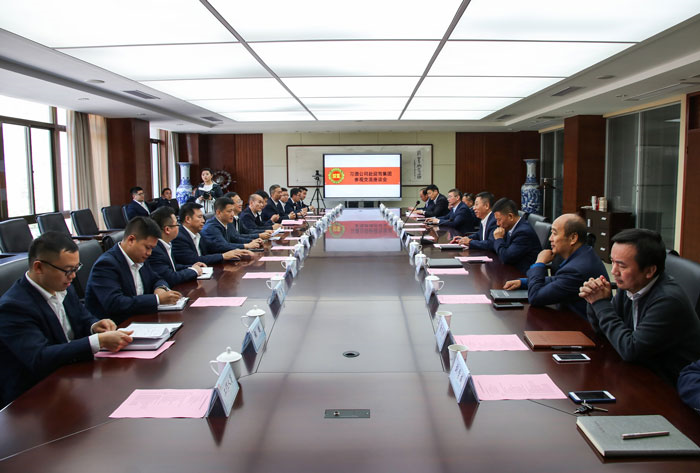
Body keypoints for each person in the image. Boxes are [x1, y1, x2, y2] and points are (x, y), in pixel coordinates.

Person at [0, 232, 133, 407]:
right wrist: (97, 341)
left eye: (76, 268)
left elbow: (82, 316)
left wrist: (94, 326)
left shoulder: (61, 285)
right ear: (39, 267)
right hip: (33, 397)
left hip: (70, 376)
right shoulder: (13, 307)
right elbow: (39, 357)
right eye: (68, 270)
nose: (73, 276)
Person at [579, 228, 700, 385]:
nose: (614, 271)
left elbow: (631, 350)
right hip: (639, 369)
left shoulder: (668, 300)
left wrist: (600, 303)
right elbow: (603, 331)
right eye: (612, 261)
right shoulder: (631, 285)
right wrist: (594, 299)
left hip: (668, 383)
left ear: (649, 271)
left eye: (622, 266)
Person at [503, 214, 608, 317]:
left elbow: (535, 297)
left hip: (581, 324)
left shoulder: (577, 269)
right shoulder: (584, 253)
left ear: (573, 238)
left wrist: (539, 262)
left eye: (554, 233)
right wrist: (523, 282)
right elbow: (559, 280)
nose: (550, 238)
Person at [85, 217, 183, 324]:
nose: (149, 253)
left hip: (141, 319)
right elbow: (116, 304)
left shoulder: (139, 257)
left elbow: (157, 278)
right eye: (147, 247)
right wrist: (157, 299)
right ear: (131, 240)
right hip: (118, 326)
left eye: (152, 249)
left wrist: (160, 288)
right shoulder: (106, 265)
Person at [171, 203, 248, 266]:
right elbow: (193, 260)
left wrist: (237, 251)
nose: (203, 221)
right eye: (199, 217)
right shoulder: (178, 237)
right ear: (188, 219)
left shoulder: (199, 234)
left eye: (203, 217)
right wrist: (223, 256)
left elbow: (213, 248)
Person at [149, 206, 206, 287]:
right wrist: (194, 271)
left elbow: (173, 267)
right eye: (177, 224)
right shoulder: (155, 249)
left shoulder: (166, 244)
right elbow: (170, 277)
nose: (179, 227)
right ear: (167, 229)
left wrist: (191, 267)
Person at [491, 198, 541, 274]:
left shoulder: (523, 232)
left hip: (524, 275)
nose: (497, 224)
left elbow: (506, 258)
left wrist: (499, 239)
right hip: (511, 270)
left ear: (510, 216)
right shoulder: (510, 227)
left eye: (499, 220)